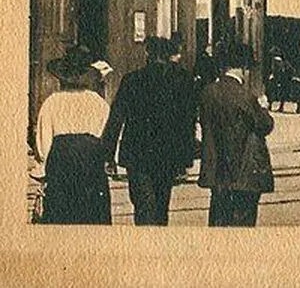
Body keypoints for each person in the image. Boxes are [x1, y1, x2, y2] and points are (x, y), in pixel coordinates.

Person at [101, 36, 197, 225]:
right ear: (170, 55)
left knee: (143, 206)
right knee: (162, 206)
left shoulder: (132, 79)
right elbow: (188, 121)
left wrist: (108, 154)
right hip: (168, 154)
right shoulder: (183, 79)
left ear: (147, 54)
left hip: (138, 155)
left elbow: (116, 118)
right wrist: (186, 159)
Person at [34, 44, 112, 224]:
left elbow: (43, 141)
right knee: (92, 215)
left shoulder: (52, 102)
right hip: (90, 160)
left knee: (62, 215)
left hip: (61, 160)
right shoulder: (98, 102)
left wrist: (43, 166)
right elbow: (106, 135)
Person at [198, 42, 274, 227]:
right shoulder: (245, 96)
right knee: (242, 224)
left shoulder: (208, 93)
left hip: (217, 170)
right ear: (244, 69)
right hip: (244, 171)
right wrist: (263, 108)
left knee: (219, 221)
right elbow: (264, 126)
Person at [265, 45, 289, 113]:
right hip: (283, 78)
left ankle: (270, 105)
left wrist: (271, 75)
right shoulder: (284, 62)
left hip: (276, 78)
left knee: (271, 91)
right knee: (281, 93)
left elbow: (272, 69)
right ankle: (281, 106)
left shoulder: (274, 61)